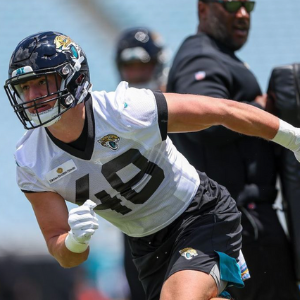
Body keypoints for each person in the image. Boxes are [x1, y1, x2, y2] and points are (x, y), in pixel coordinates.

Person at [4, 31, 300, 300]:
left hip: (200, 214)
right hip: (146, 247)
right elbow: (65, 253)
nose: (32, 97)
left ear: (74, 77)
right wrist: (75, 242)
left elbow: (222, 111)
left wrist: (295, 139)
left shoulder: (126, 110)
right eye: (24, 87)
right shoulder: (31, 160)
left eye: (41, 83)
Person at [166, 1, 300, 299]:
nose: (242, 13)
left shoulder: (218, 57)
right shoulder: (201, 57)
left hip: (241, 226)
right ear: (203, 9)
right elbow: (205, 123)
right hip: (240, 226)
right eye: (230, 3)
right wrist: (260, 109)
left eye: (248, 4)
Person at [115, 27, 169, 300]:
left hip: (185, 223)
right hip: (138, 232)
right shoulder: (113, 116)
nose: (135, 75)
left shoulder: (179, 108)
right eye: (129, 66)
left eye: (142, 66)